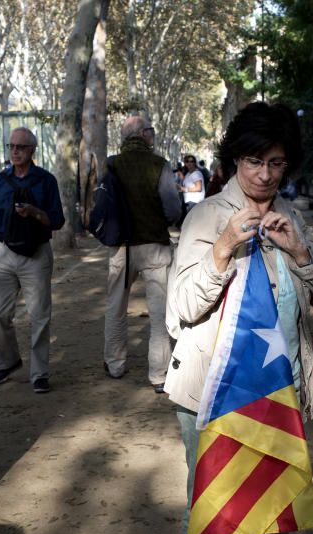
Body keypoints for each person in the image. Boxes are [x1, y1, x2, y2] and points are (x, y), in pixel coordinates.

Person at [165, 102, 313, 534]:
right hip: (209, 397)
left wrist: (299, 250)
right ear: (233, 160)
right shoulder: (205, 217)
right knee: (213, 505)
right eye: (252, 161)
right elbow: (180, 310)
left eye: (275, 162)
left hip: (278, 393)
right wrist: (220, 252)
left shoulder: (292, 215)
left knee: (273, 511)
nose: (264, 174)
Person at [102, 114, 181, 391]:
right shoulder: (160, 165)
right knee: (159, 313)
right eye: (152, 131)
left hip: (120, 247)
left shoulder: (111, 165)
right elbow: (173, 210)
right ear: (145, 134)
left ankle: (114, 363)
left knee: (116, 306)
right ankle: (159, 375)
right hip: (154, 246)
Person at [0, 127, 64, 393]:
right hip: (4, 253)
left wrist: (34, 212)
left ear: (33, 150)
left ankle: (39, 373)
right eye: (11, 146)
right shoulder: (0, 181)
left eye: (21, 147)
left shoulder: (46, 180)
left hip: (37, 254)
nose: (15, 151)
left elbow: (57, 220)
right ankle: (7, 362)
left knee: (39, 316)